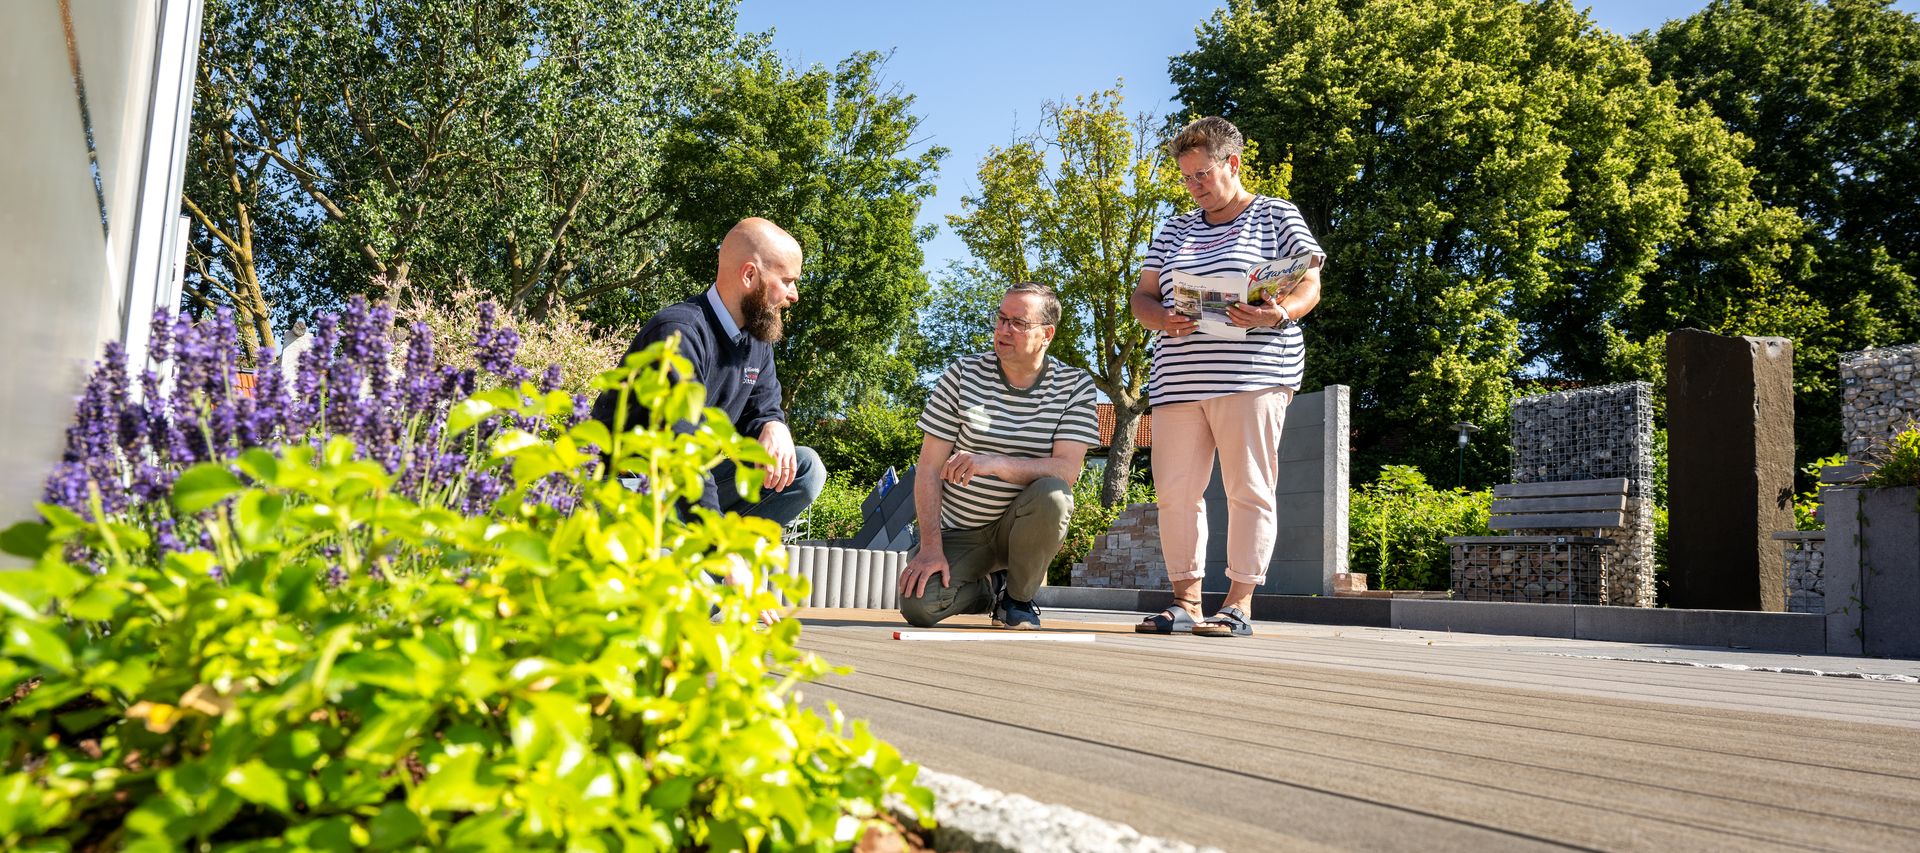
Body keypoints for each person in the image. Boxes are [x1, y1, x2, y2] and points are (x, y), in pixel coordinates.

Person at [1128, 116, 1324, 638]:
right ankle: (1185, 601)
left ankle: (1239, 605)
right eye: (1186, 177)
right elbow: (1142, 297)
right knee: (1175, 493)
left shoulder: (1277, 214)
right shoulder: (1173, 228)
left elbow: (1310, 284)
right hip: (1177, 380)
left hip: (1254, 374)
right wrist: (1159, 316)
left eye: (1202, 175)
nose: (1193, 186)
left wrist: (1278, 314)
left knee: (1249, 489)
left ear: (1232, 164)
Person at [590, 217, 825, 529]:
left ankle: (707, 563)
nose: (793, 295)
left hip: (687, 486)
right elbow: (681, 449)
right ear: (750, 275)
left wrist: (773, 424)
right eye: (787, 280)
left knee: (806, 469)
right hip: (630, 489)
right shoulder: (679, 333)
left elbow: (762, 410)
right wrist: (716, 538)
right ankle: (705, 562)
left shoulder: (757, 341)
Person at [896, 283, 1099, 630]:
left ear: (1046, 334)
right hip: (960, 530)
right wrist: (931, 548)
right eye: (1001, 318)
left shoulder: (1074, 385)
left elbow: (1067, 470)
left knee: (1055, 494)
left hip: (1023, 526)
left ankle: (1018, 600)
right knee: (919, 606)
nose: (1003, 330)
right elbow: (928, 468)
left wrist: (996, 463)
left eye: (1018, 323)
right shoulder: (962, 374)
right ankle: (990, 589)